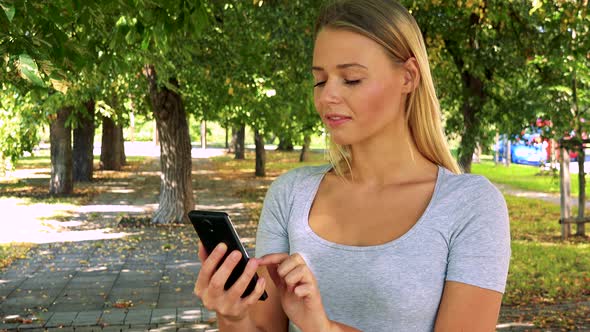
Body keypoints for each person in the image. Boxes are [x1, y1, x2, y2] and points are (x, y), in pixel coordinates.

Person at [194, 0, 511, 331]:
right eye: (320, 80)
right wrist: (232, 315)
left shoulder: (470, 206)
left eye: (351, 79)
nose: (327, 96)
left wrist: (326, 329)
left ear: (408, 77)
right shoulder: (290, 195)